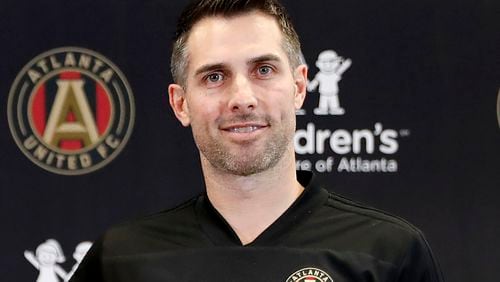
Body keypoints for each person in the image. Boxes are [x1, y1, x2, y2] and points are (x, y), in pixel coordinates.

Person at [70, 0, 444, 281]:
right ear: (180, 103)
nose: (242, 97)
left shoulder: (391, 253)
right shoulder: (120, 260)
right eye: (214, 77)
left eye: (263, 70)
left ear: (299, 87)